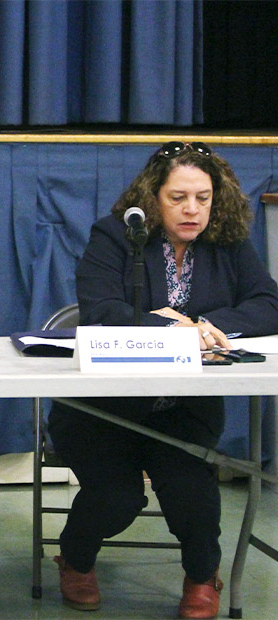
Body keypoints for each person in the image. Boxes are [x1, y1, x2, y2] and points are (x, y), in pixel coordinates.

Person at [48, 141, 278, 619]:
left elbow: (267, 303)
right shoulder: (116, 236)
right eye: (178, 198)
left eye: (203, 197)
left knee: (191, 492)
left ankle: (201, 577)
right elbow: (100, 309)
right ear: (152, 197)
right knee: (116, 496)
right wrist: (172, 329)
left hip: (184, 408)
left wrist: (212, 326)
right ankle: (75, 558)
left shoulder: (228, 241)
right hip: (102, 408)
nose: (192, 209)